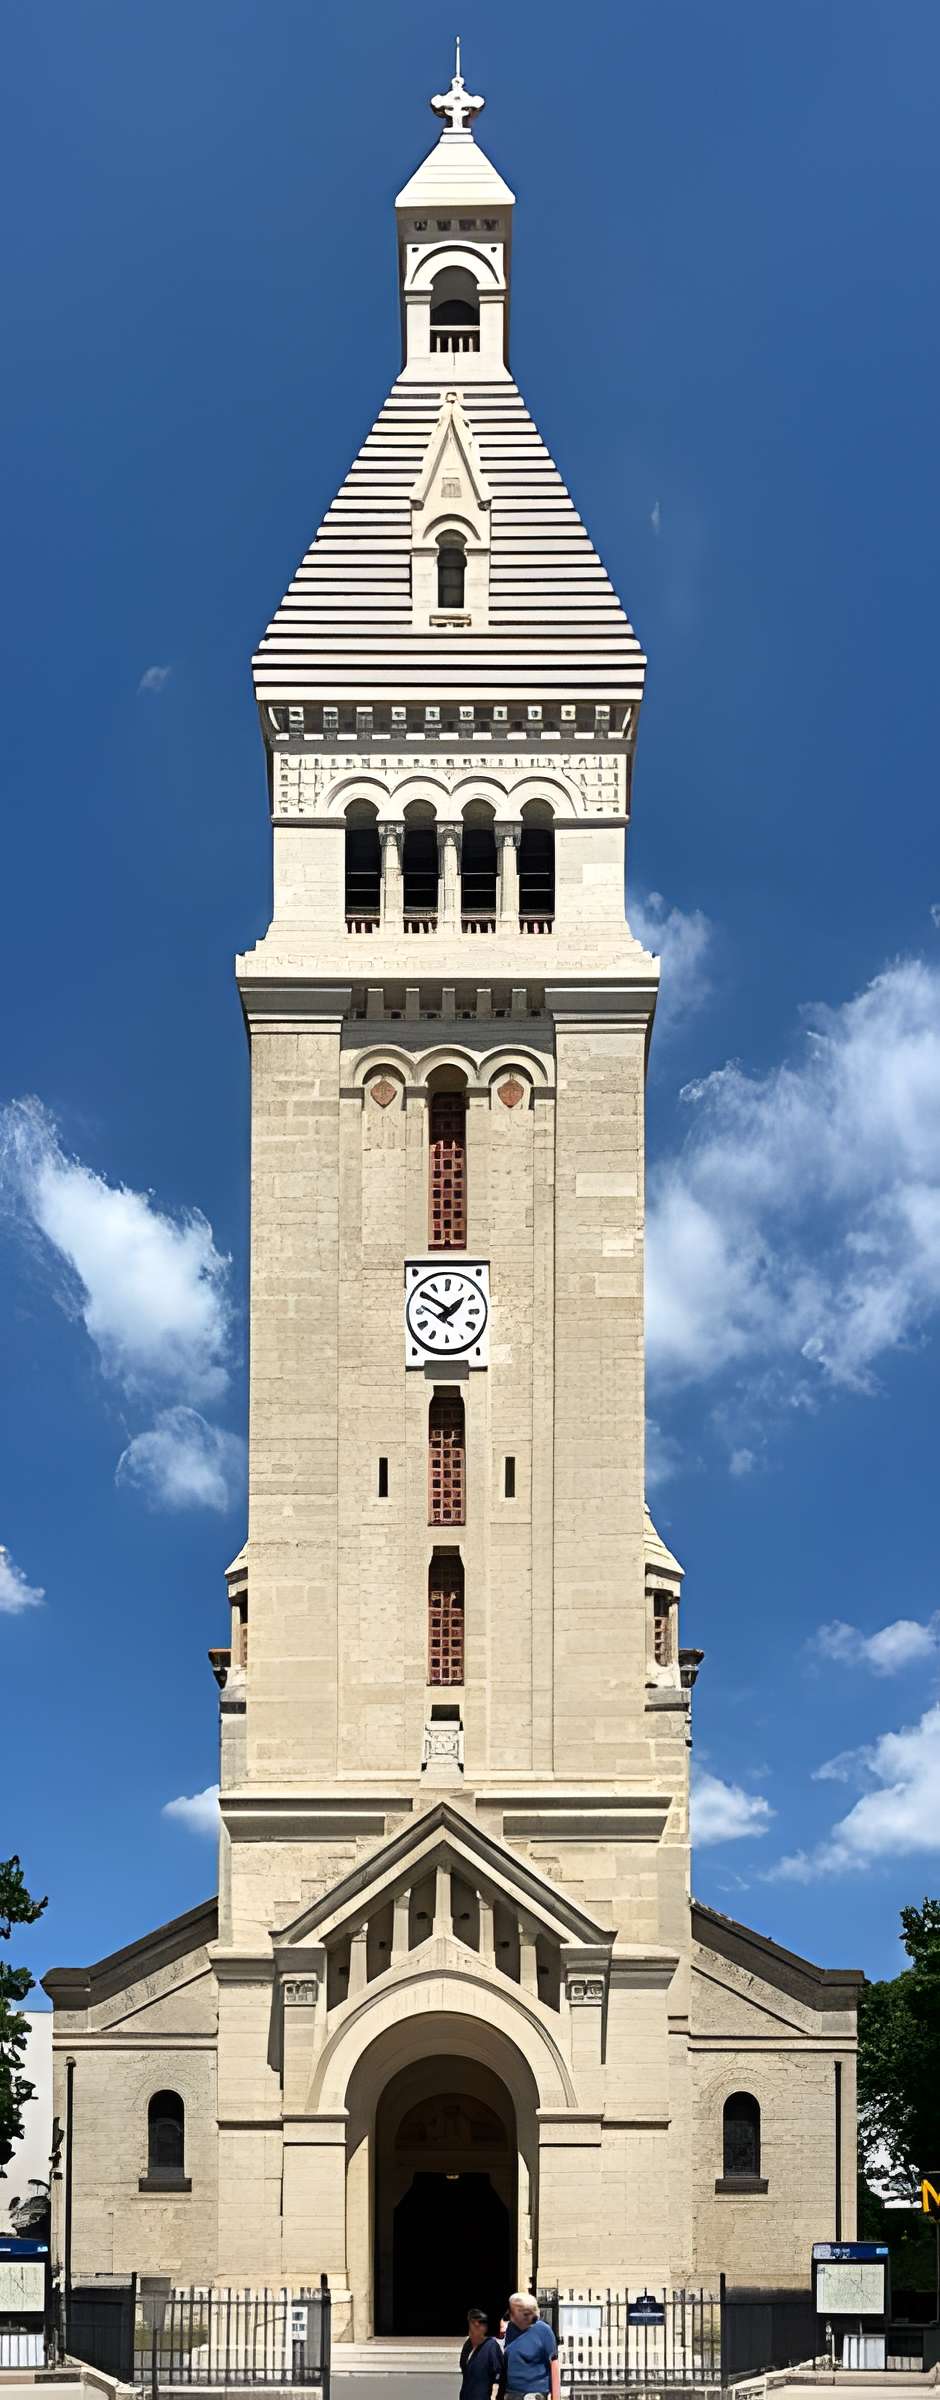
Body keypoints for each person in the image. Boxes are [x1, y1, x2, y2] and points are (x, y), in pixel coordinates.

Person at [502, 2295, 559, 2400]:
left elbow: (554, 2365)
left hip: (535, 2394)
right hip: (510, 2394)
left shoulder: (544, 2330)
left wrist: (556, 2398)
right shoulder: (509, 2330)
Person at [459, 2308, 503, 2400]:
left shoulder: (491, 2346)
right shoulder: (467, 2345)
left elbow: (499, 2375)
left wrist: (494, 2395)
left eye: (480, 2322)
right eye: (473, 2322)